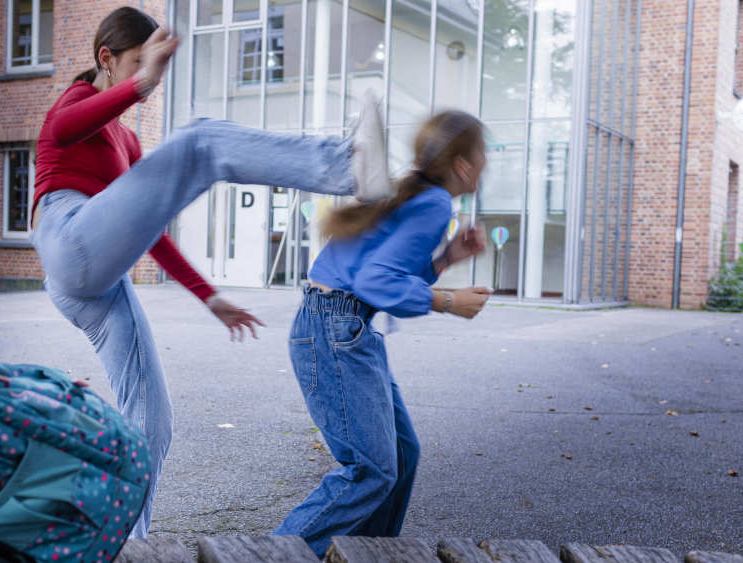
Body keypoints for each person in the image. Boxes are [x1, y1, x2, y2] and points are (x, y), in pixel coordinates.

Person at [30, 7, 393, 537]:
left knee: (153, 418)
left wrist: (209, 296)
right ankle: (347, 165)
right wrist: (143, 81)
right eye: (138, 64)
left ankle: (128, 543)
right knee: (201, 139)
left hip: (97, 281)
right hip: (67, 238)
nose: (149, 80)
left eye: (153, 69)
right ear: (106, 58)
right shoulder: (76, 101)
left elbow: (147, 228)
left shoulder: (126, 141)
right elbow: (63, 131)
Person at [273, 110, 493, 556]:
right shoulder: (434, 203)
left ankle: (364, 553)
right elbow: (376, 282)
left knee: (402, 455)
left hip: (338, 323)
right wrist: (448, 301)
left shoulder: (418, 195)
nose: (488, 162)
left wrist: (445, 259)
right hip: (336, 327)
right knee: (372, 470)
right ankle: (268, 555)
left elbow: (380, 272)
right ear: (464, 166)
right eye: (484, 153)